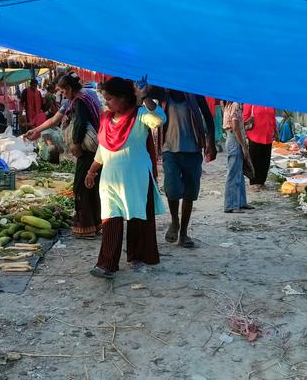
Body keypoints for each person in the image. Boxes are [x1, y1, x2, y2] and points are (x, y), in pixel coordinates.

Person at [85, 77, 166, 279]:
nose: (107, 103)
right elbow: (103, 150)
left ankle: (138, 257)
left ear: (123, 98)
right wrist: (92, 171)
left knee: (138, 217)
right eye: (105, 99)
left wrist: (145, 97)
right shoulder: (105, 119)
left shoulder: (139, 116)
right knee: (110, 220)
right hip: (109, 180)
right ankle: (106, 264)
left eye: (110, 99)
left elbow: (159, 119)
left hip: (136, 179)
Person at [153, 87, 216, 248]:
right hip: (170, 151)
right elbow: (146, 95)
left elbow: (209, 119)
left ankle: (184, 233)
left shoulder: (195, 93)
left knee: (189, 193)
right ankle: (174, 221)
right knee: (172, 190)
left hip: (193, 150)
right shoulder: (163, 95)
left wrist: (211, 143)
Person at [58, 73, 102, 239]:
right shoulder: (86, 97)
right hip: (94, 153)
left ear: (69, 88)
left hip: (86, 151)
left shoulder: (79, 101)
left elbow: (80, 123)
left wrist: (76, 144)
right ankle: (96, 224)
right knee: (92, 187)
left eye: (63, 91)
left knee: (81, 187)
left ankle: (86, 227)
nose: (62, 94)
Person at [222, 100, 254, 213]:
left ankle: (240, 202)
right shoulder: (235, 105)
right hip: (234, 140)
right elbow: (235, 127)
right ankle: (231, 205)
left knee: (239, 173)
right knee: (234, 173)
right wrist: (243, 147)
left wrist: (246, 123)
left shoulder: (230, 105)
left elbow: (236, 125)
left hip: (233, 138)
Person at [242, 103, 277, 191]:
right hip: (255, 135)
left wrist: (275, 130)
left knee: (265, 160)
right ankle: (254, 182)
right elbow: (245, 117)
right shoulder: (250, 101)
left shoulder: (270, 102)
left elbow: (273, 117)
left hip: (268, 135)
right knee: (255, 158)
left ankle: (262, 181)